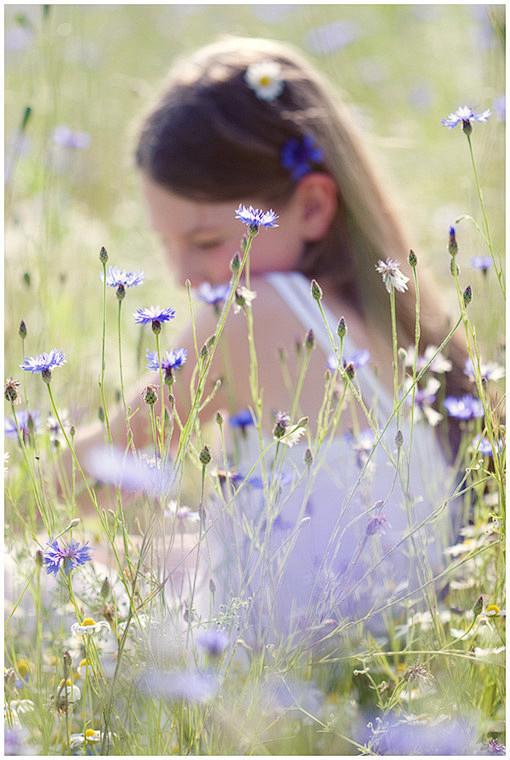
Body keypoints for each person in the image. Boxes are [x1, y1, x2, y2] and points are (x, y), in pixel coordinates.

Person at [91, 36, 470, 645]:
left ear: (314, 206)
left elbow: (79, 479)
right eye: (167, 246)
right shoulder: (400, 329)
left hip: (272, 690)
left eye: (209, 242)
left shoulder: (256, 315)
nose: (185, 277)